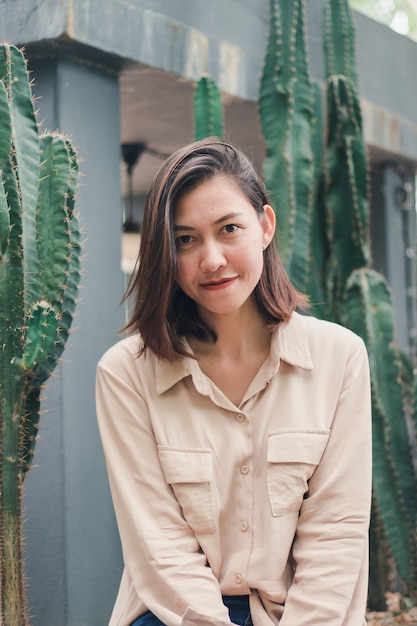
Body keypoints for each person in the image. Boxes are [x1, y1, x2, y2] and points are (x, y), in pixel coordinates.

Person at [96, 138, 372, 626]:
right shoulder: (125, 373)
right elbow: (158, 540)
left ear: (265, 226)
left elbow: (337, 533)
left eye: (229, 229)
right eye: (185, 239)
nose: (212, 260)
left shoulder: (340, 357)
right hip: (176, 615)